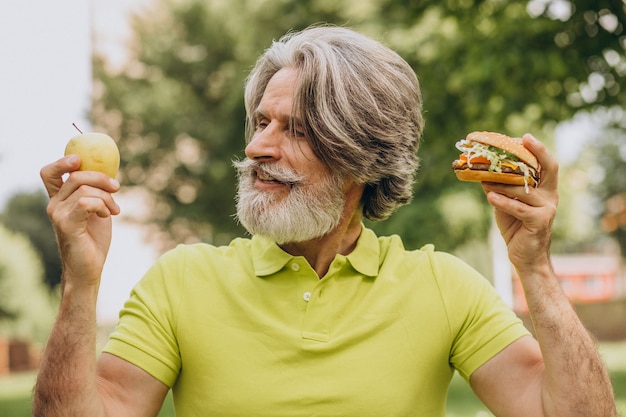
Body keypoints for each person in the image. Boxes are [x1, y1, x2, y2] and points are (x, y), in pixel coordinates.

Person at [34, 24, 616, 417]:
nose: (260, 146)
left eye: (296, 129)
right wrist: (81, 280)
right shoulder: (181, 279)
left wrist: (534, 267)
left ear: (363, 158)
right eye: (261, 122)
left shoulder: (443, 286)